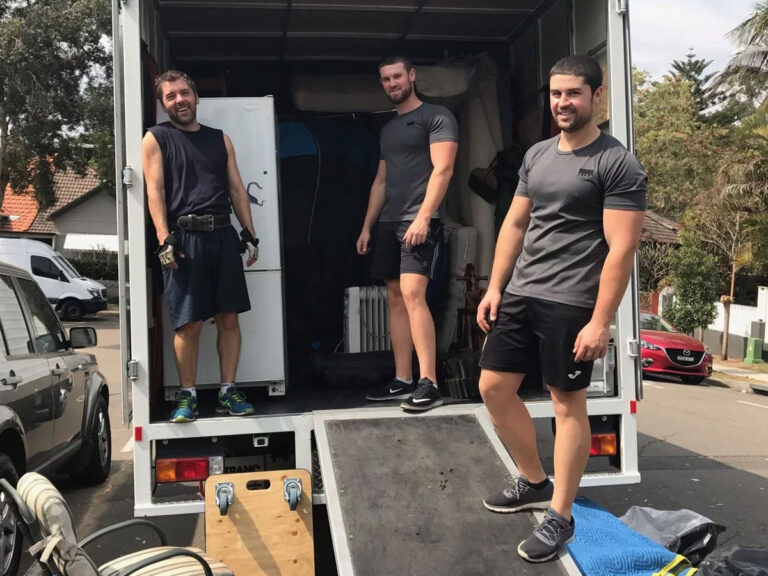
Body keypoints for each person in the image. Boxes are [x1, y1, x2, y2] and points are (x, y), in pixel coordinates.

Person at [476, 55, 647, 562]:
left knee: (565, 403)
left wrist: (600, 321)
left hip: (572, 302)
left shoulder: (617, 163)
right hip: (522, 293)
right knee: (492, 387)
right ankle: (534, 481)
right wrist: (494, 287)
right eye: (556, 94)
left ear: (596, 96)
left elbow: (621, 250)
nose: (563, 103)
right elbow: (514, 224)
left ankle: (561, 516)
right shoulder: (537, 155)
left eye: (573, 93)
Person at [143, 70, 260, 423]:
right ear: (163, 105)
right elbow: (155, 191)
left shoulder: (220, 139)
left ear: (196, 97)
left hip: (223, 236)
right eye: (171, 96)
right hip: (183, 240)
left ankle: (228, 391)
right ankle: (187, 397)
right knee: (188, 324)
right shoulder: (156, 138)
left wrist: (250, 234)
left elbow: (237, 189)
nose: (179, 100)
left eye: (184, 93)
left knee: (228, 318)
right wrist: (163, 239)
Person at [356, 55, 459, 412]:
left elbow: (444, 170)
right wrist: (367, 226)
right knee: (395, 298)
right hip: (390, 223)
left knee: (414, 294)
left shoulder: (436, 117)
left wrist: (424, 218)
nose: (392, 84)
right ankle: (403, 380)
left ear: (412, 76)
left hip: (420, 222)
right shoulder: (388, 129)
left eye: (397, 76)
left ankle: (429, 383)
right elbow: (381, 180)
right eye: (386, 79)